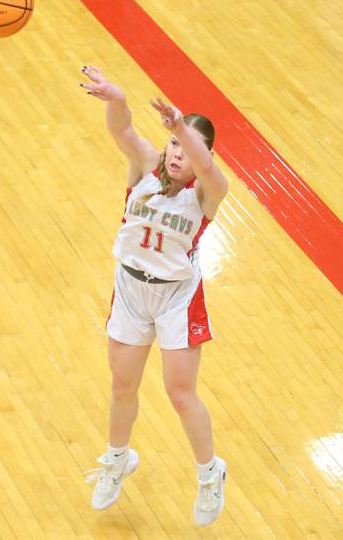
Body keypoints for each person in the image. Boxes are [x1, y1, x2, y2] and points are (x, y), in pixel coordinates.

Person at [79, 65, 229, 527]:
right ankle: (118, 458)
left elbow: (208, 168)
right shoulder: (145, 166)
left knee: (180, 394)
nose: (178, 153)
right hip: (130, 288)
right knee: (122, 385)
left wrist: (182, 127)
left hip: (176, 297)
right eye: (173, 144)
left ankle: (210, 474)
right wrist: (116, 98)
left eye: (187, 146)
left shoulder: (208, 192)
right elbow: (122, 129)